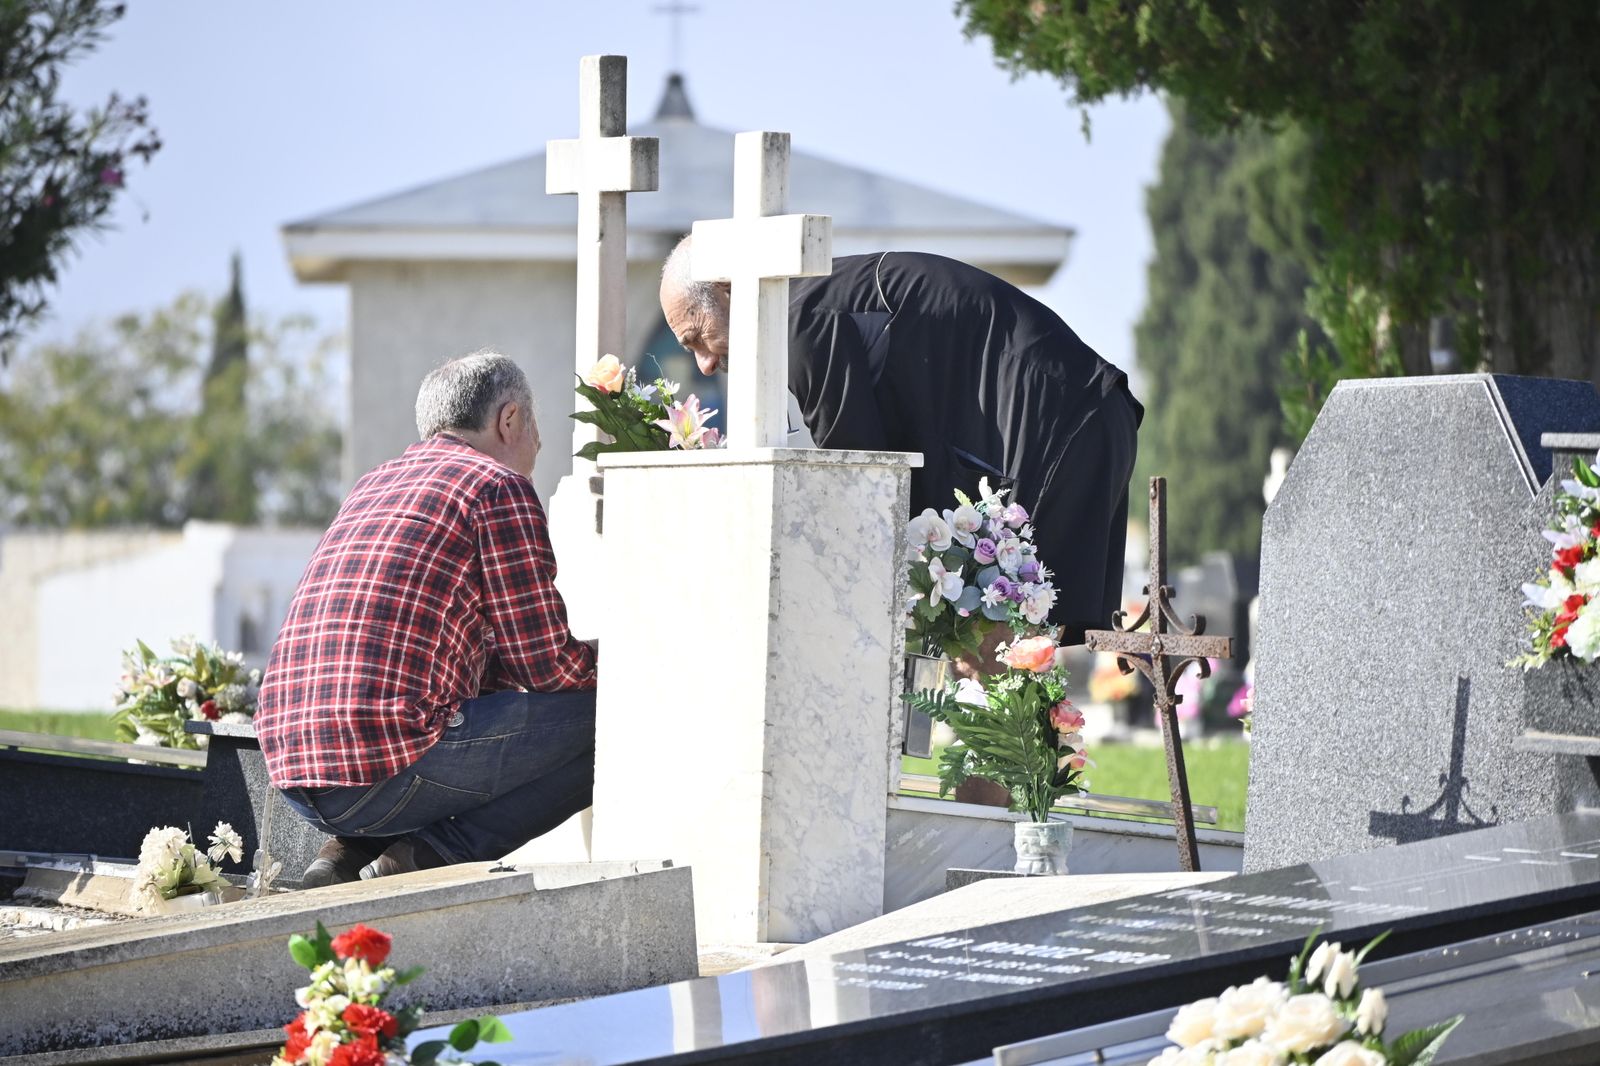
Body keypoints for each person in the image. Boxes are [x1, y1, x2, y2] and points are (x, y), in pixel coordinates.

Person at [659, 241, 1143, 643]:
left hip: (1061, 423)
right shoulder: (807, 303)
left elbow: (862, 479)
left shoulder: (799, 320)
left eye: (697, 337)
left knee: (1006, 641)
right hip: (1086, 415)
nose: (704, 363)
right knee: (1014, 644)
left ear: (728, 289)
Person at [255, 350, 598, 887]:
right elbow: (546, 665)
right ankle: (429, 855)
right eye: (535, 425)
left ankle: (343, 856)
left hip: (291, 771)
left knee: (433, 717)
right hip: (381, 768)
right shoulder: (497, 486)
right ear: (509, 420)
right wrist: (616, 662)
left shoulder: (373, 483)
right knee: (613, 721)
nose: (538, 443)